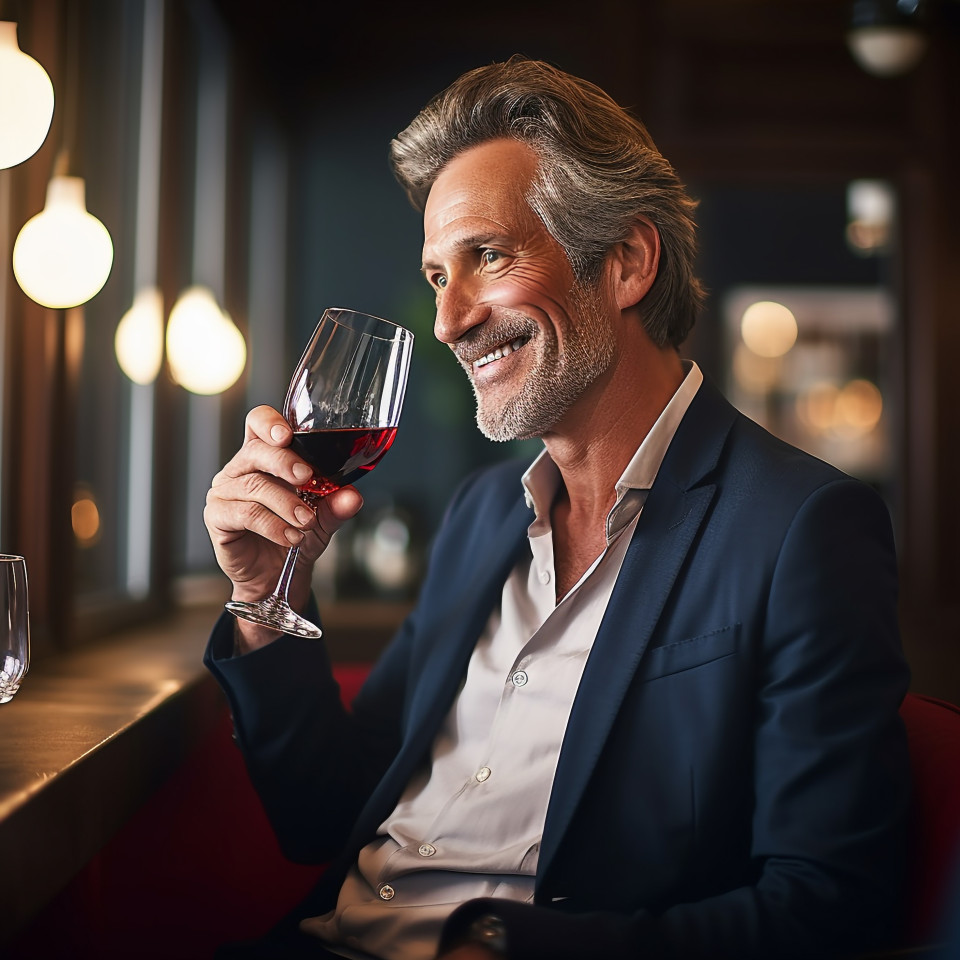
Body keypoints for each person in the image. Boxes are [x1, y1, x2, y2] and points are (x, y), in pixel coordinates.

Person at [202, 57, 911, 960]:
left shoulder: (802, 527)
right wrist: (270, 594)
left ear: (626, 262)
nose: (449, 319)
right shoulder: (480, 516)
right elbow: (323, 815)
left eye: (487, 257)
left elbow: (831, 907)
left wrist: (502, 948)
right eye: (434, 277)